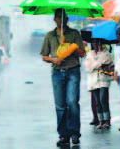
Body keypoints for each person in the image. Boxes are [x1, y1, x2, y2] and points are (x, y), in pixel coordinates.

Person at [40, 8, 85, 147]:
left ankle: (75, 133)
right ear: (54, 19)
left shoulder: (74, 33)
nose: (61, 20)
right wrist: (53, 60)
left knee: (72, 102)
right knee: (60, 106)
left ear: (67, 19)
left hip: (73, 71)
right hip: (57, 72)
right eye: (58, 17)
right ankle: (63, 135)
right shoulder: (49, 35)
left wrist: (67, 45)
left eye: (64, 17)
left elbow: (82, 53)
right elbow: (44, 56)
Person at [85, 38, 113, 129]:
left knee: (103, 100)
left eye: (97, 42)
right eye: (93, 42)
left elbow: (107, 62)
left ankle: (107, 121)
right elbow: (88, 68)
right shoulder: (89, 54)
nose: (95, 44)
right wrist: (98, 64)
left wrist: (96, 65)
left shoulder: (106, 53)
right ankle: (101, 121)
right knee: (97, 102)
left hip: (103, 79)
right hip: (93, 81)